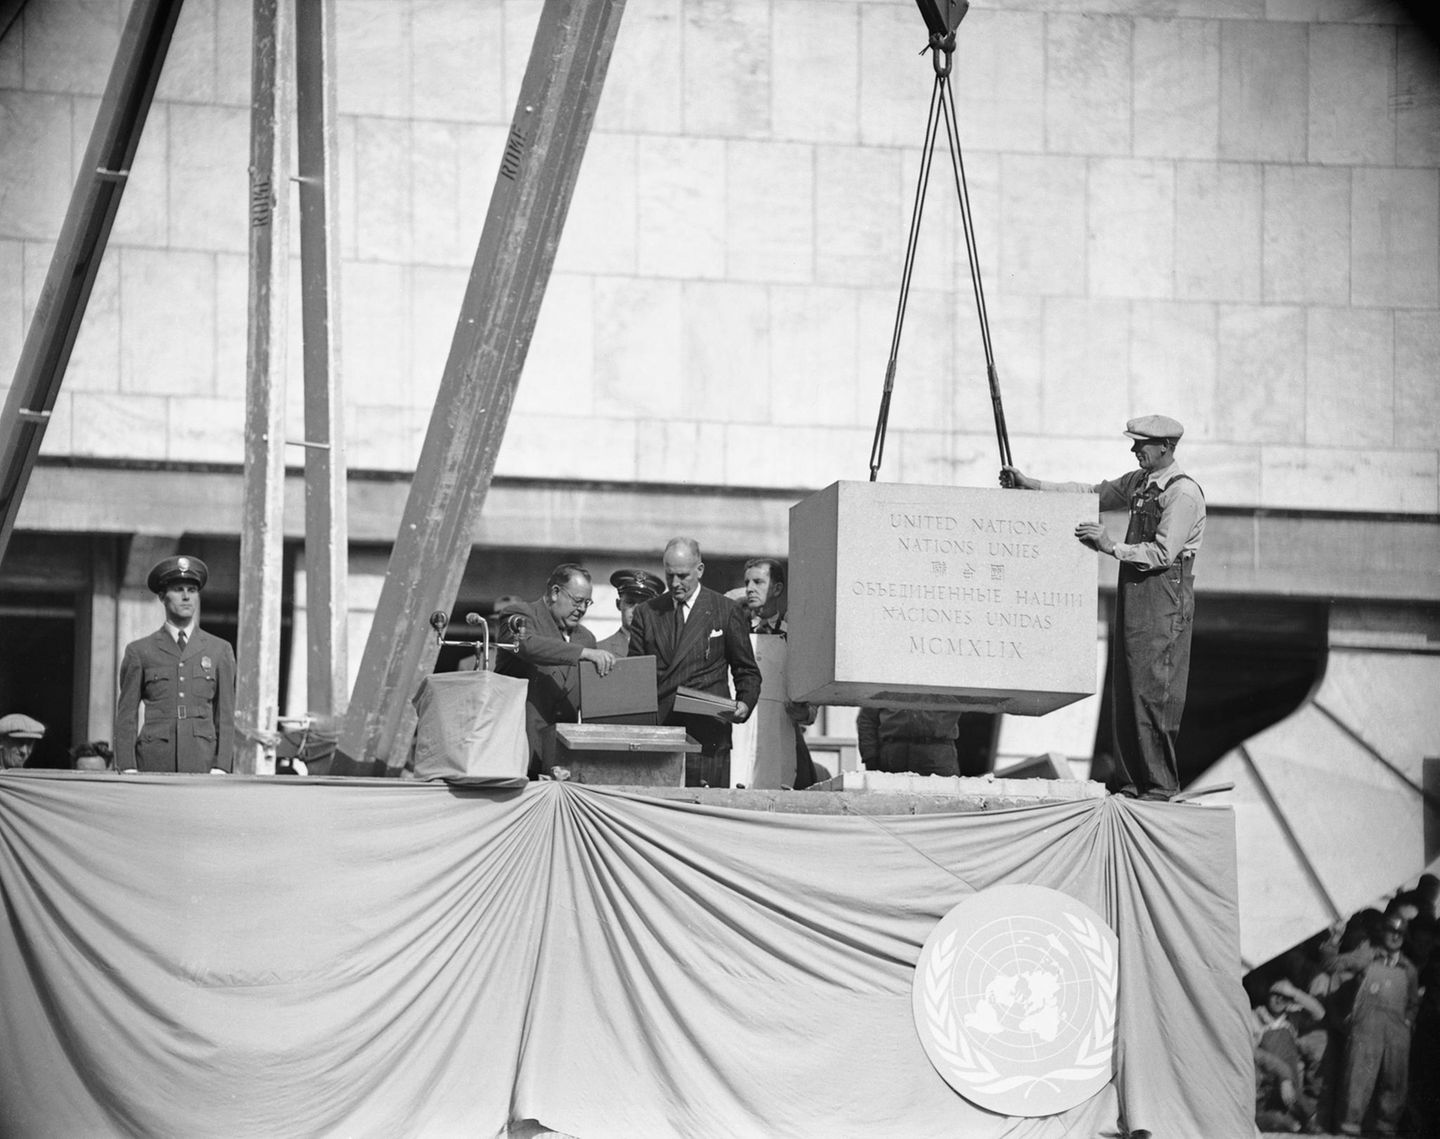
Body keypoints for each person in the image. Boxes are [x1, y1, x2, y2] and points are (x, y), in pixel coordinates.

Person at [1003, 413, 1205, 801]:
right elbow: (1093, 492)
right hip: (1137, 591)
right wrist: (1032, 485)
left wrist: (1110, 545)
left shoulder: (1182, 493)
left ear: (1166, 447)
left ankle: (1158, 787)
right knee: (1128, 686)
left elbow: (1163, 553)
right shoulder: (1141, 483)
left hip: (1164, 594)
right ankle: (1132, 785)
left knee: (1155, 690)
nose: (1134, 450)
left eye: (1141, 444)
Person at [627, 537, 761, 787]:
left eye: (683, 576)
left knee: (705, 814)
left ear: (699, 570)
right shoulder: (648, 613)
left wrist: (744, 703)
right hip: (662, 732)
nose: (675, 584)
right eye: (669, 576)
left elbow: (747, 671)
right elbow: (635, 676)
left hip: (708, 733)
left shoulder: (725, 610)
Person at [114, 556, 236, 774]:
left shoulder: (219, 650)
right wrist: (127, 766)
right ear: (162, 596)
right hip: (154, 762)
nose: (186, 596)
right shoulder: (140, 651)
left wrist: (222, 765)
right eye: (178, 589)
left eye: (192, 590)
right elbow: (126, 715)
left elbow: (225, 715)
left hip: (203, 763)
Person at [494, 563, 616, 778]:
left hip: (561, 759)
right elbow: (527, 645)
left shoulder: (585, 638)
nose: (582, 609)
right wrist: (582, 653)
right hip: (519, 753)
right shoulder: (519, 615)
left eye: (587, 603)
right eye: (577, 601)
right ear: (555, 592)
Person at [1329, 912, 1419, 1136]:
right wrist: (1333, 939)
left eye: (1400, 933)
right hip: (1367, 1030)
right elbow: (1332, 964)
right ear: (1383, 933)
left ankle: (1385, 1130)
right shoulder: (1367, 956)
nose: (1395, 937)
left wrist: (1407, 1023)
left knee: (1394, 1084)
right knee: (1356, 1081)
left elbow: (1413, 1003)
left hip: (1396, 1035)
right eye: (1392, 931)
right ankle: (1347, 1130)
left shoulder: (1409, 969)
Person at [733, 557, 817, 788]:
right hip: (738, 737)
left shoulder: (794, 637)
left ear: (777, 588)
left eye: (758, 582)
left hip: (778, 738)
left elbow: (810, 710)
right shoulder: (734, 634)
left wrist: (802, 711)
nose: (750, 589)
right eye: (747, 582)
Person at [1250, 978, 1326, 1133]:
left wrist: (1294, 992)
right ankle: (1304, 1116)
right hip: (1267, 1078)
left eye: (1284, 997)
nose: (1279, 1000)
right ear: (1267, 996)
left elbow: (1320, 1013)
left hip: (1291, 1079)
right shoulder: (1254, 1016)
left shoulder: (1292, 1018)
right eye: (1275, 995)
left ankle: (1303, 1118)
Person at [856, 707, 962, 777]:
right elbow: (867, 718)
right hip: (894, 755)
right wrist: (871, 758)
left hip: (939, 753)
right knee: (891, 806)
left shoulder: (946, 675)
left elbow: (969, 697)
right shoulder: (887, 676)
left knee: (946, 804)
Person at [595, 569, 665, 657]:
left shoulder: (664, 649)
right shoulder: (600, 650)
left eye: (643, 604)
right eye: (630, 602)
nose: (636, 611)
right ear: (618, 604)